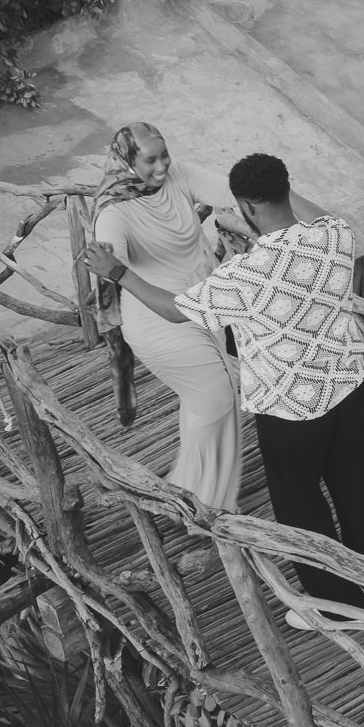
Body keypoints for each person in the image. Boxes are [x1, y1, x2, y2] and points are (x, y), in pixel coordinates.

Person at [88, 152, 364, 618]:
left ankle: (334, 606)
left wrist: (120, 273)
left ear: (246, 208)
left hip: (290, 410)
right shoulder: (335, 235)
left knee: (302, 507)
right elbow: (315, 212)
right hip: (347, 386)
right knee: (356, 485)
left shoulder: (243, 276)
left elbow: (172, 309)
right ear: (286, 189)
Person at [88, 123, 244, 512]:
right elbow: (112, 256)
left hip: (201, 309)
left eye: (164, 155)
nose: (162, 167)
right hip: (157, 318)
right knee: (217, 396)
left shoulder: (178, 176)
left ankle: (193, 493)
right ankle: (210, 503)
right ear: (127, 162)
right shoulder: (114, 211)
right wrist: (112, 262)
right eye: (150, 160)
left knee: (203, 402)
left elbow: (231, 192)